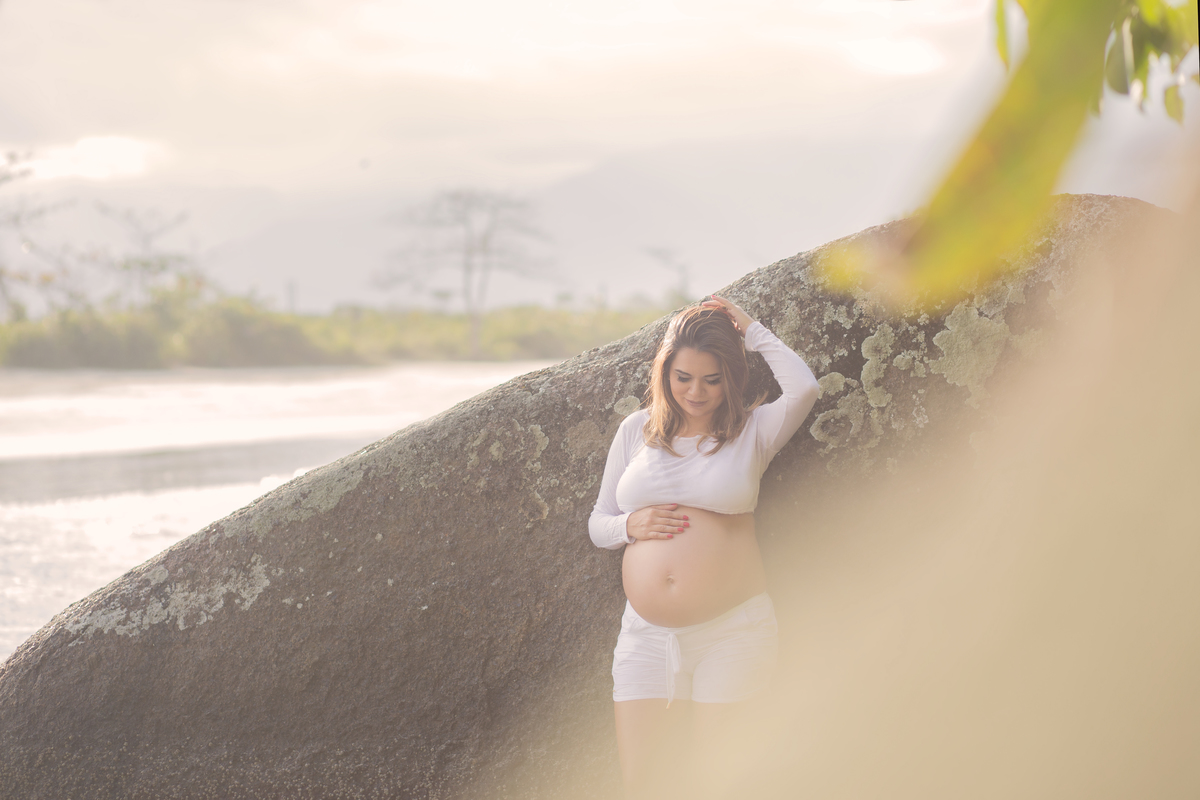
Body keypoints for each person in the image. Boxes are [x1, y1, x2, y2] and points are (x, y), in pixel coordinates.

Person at [589, 295, 820, 797]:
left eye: (712, 379)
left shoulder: (752, 431)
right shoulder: (637, 430)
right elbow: (597, 523)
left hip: (732, 633)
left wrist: (750, 327)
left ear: (731, 379)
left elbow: (805, 388)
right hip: (645, 635)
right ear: (664, 372)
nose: (696, 392)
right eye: (683, 377)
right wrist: (630, 526)